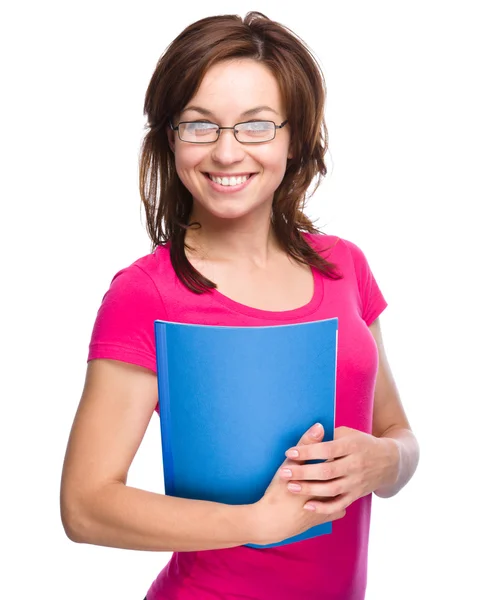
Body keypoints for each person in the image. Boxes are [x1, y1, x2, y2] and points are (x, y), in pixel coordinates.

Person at [60, 11, 419, 600]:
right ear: (169, 138)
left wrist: (386, 463)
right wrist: (255, 523)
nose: (227, 153)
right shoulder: (146, 292)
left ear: (294, 137)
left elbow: (398, 433)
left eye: (256, 126)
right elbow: (85, 505)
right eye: (200, 126)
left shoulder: (345, 266)